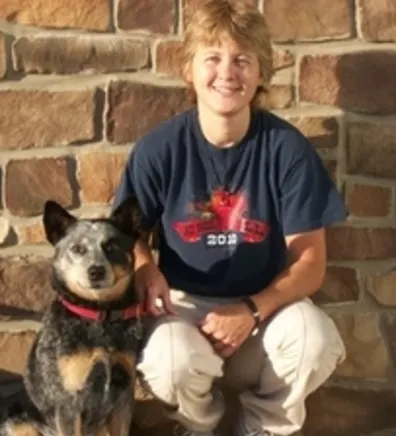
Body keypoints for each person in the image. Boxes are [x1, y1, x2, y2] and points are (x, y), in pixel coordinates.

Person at [112, 1, 347, 435]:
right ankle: (202, 425)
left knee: (316, 339)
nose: (228, 72)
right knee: (168, 360)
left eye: (242, 60)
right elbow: (126, 236)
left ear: (261, 74)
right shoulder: (159, 150)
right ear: (189, 70)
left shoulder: (286, 150)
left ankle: (261, 428)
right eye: (213, 58)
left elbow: (310, 263)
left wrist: (251, 310)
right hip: (185, 310)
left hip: (265, 312)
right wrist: (144, 270)